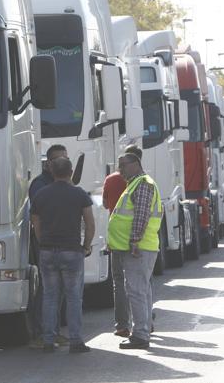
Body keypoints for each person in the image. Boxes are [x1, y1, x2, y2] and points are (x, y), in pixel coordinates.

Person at [31, 157, 95, 353]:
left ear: (51, 170)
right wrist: (86, 246)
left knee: (50, 296)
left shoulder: (41, 194)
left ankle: (48, 340)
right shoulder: (79, 194)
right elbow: (90, 224)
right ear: (71, 171)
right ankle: (76, 341)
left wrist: (44, 243)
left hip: (48, 251)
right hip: (71, 251)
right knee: (74, 297)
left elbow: (36, 224)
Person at [107, 153, 163, 349]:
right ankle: (143, 330)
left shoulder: (142, 183)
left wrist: (134, 241)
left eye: (123, 165)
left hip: (138, 248)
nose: (120, 169)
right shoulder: (136, 183)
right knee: (142, 290)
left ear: (136, 164)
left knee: (136, 291)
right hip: (140, 247)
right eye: (118, 165)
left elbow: (141, 214)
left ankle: (140, 335)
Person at [29, 144, 69, 348]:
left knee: (58, 288)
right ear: (48, 163)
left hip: (60, 242)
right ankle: (42, 333)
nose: (63, 162)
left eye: (65, 159)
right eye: (58, 160)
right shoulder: (40, 184)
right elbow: (38, 215)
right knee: (47, 289)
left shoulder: (59, 181)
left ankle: (52, 331)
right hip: (46, 243)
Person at [103, 145, 143, 338]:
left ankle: (122, 325)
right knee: (141, 283)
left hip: (117, 240)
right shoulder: (143, 183)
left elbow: (104, 204)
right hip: (137, 240)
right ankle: (145, 322)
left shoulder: (110, 180)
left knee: (119, 283)